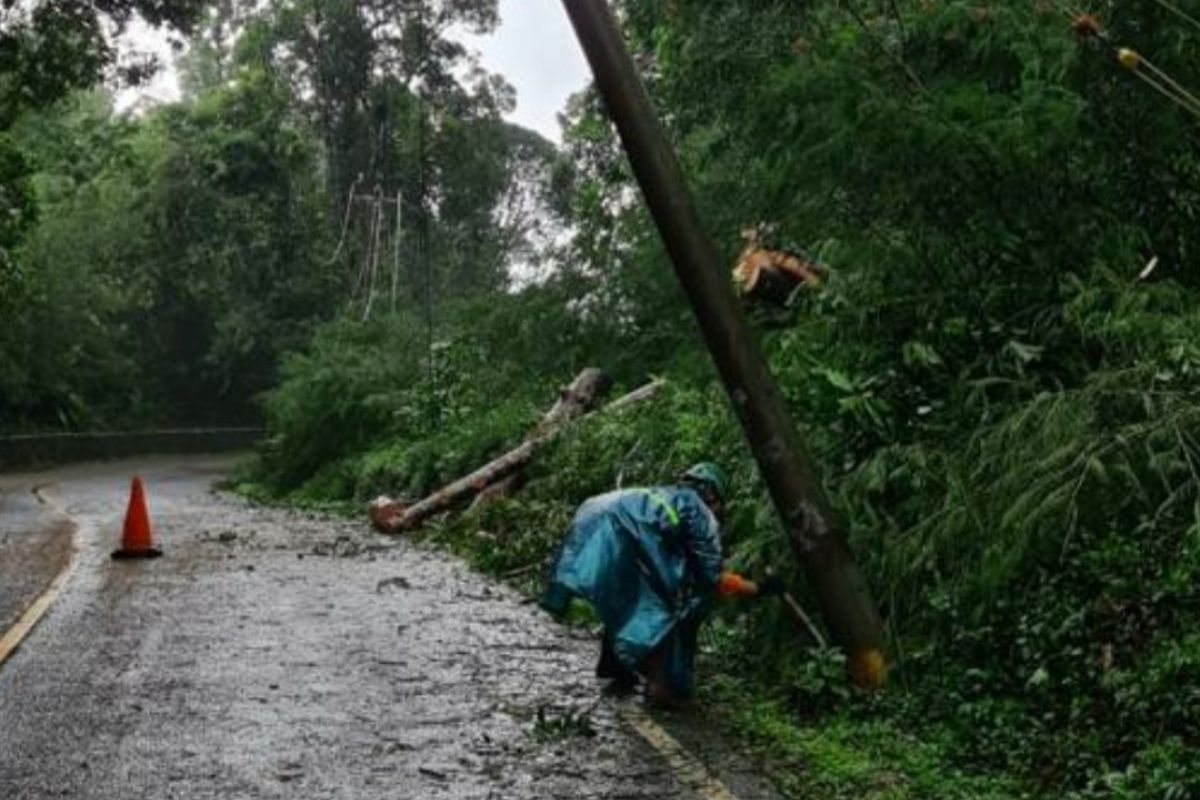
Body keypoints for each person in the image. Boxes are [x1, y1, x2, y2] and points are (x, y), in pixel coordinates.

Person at [540, 462, 783, 708]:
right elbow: (711, 578)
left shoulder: (663, 497)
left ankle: (617, 666)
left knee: (626, 601)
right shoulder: (699, 511)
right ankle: (663, 686)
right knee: (674, 608)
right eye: (720, 503)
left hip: (593, 514)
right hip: (623, 533)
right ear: (711, 494)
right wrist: (760, 588)